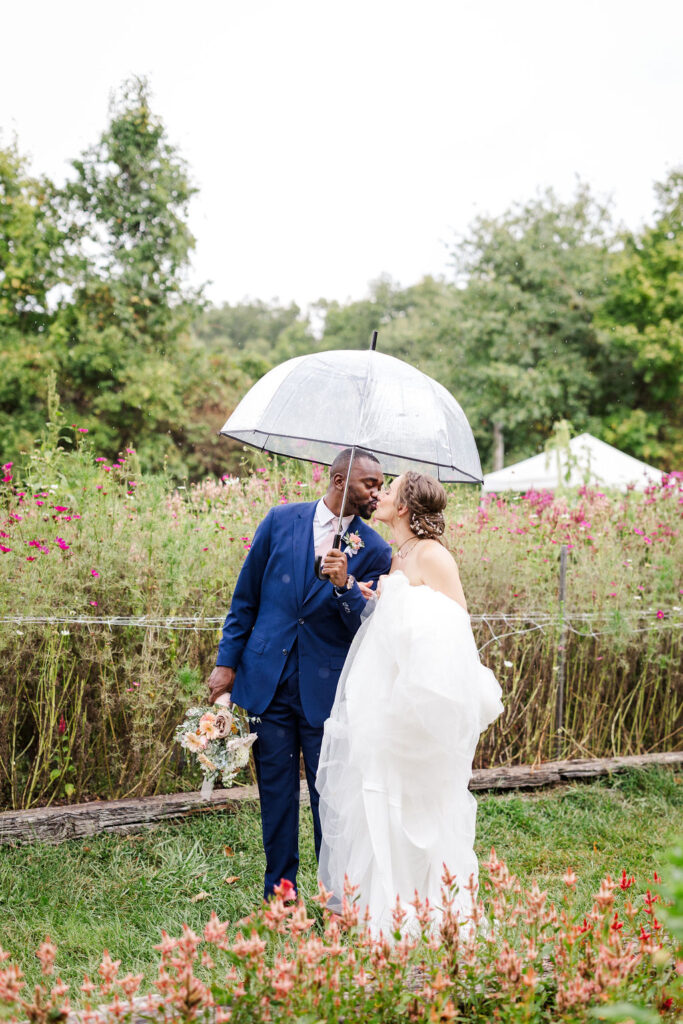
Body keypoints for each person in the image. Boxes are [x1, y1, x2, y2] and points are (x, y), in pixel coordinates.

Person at [316, 470, 503, 935]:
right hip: (384, 701)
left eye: (390, 490)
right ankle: (383, 910)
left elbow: (455, 630)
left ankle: (428, 913)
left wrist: (403, 616)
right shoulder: (400, 554)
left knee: (417, 809)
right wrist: (376, 597)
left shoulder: (435, 556)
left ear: (403, 508)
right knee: (378, 799)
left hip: (416, 710)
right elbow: (401, 613)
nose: (380, 495)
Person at [208, 448, 392, 898]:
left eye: (381, 486)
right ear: (339, 480)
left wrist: (345, 586)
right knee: (276, 796)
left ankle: (335, 897)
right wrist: (225, 665)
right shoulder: (279, 520)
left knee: (330, 800)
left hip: (325, 691)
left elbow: (367, 628)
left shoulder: (376, 549)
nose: (377, 493)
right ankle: (280, 897)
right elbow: (245, 598)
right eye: (370, 483)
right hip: (265, 682)